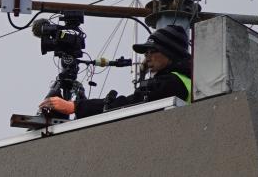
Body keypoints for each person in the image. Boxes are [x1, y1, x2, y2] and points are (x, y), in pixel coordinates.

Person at [40, 24, 193, 119]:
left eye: (152, 51)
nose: (147, 57)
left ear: (170, 53)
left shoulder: (173, 83)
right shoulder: (181, 80)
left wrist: (75, 107)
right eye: (146, 53)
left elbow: (131, 104)